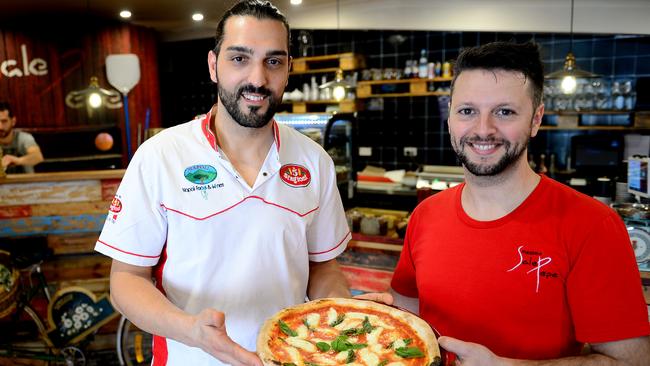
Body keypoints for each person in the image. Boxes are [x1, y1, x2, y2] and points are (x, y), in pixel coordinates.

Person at [95, 1, 359, 365]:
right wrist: (193, 331)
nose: (257, 79)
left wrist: (341, 312)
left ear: (288, 70)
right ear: (212, 65)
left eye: (273, 61)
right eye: (239, 58)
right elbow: (126, 280)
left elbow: (322, 266)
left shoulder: (315, 162)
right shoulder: (160, 156)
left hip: (292, 357)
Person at [390, 41, 650, 365]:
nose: (483, 129)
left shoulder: (593, 225)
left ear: (536, 119)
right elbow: (408, 311)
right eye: (467, 111)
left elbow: (632, 361)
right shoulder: (425, 215)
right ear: (450, 117)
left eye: (505, 112)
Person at [0, 101, 43, 174]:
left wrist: (16, 160)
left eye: (4, 121)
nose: (0, 127)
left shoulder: (24, 138)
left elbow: (38, 157)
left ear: (13, 121)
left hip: (26, 183)